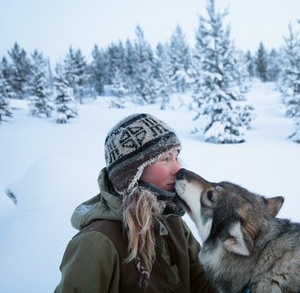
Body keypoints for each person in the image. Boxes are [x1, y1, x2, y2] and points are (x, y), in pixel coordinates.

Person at [54, 113, 217, 293]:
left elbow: (202, 282)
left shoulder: (171, 220)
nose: (178, 169)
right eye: (166, 159)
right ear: (132, 173)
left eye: (176, 157)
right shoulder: (96, 242)